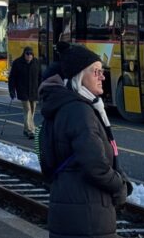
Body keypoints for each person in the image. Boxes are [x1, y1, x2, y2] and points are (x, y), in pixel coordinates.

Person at [38, 44, 131, 238]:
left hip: (71, 208)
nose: (103, 77)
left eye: (102, 71)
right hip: (88, 217)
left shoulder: (63, 107)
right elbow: (95, 165)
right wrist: (119, 185)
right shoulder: (79, 111)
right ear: (79, 75)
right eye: (96, 71)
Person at [9, 46, 41, 139]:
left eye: (31, 54)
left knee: (33, 109)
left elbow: (40, 76)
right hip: (22, 90)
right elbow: (12, 78)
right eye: (27, 54)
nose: (29, 56)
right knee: (27, 110)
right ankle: (31, 130)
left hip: (34, 90)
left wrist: (41, 88)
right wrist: (12, 90)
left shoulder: (36, 62)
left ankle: (25, 129)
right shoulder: (17, 63)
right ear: (24, 54)